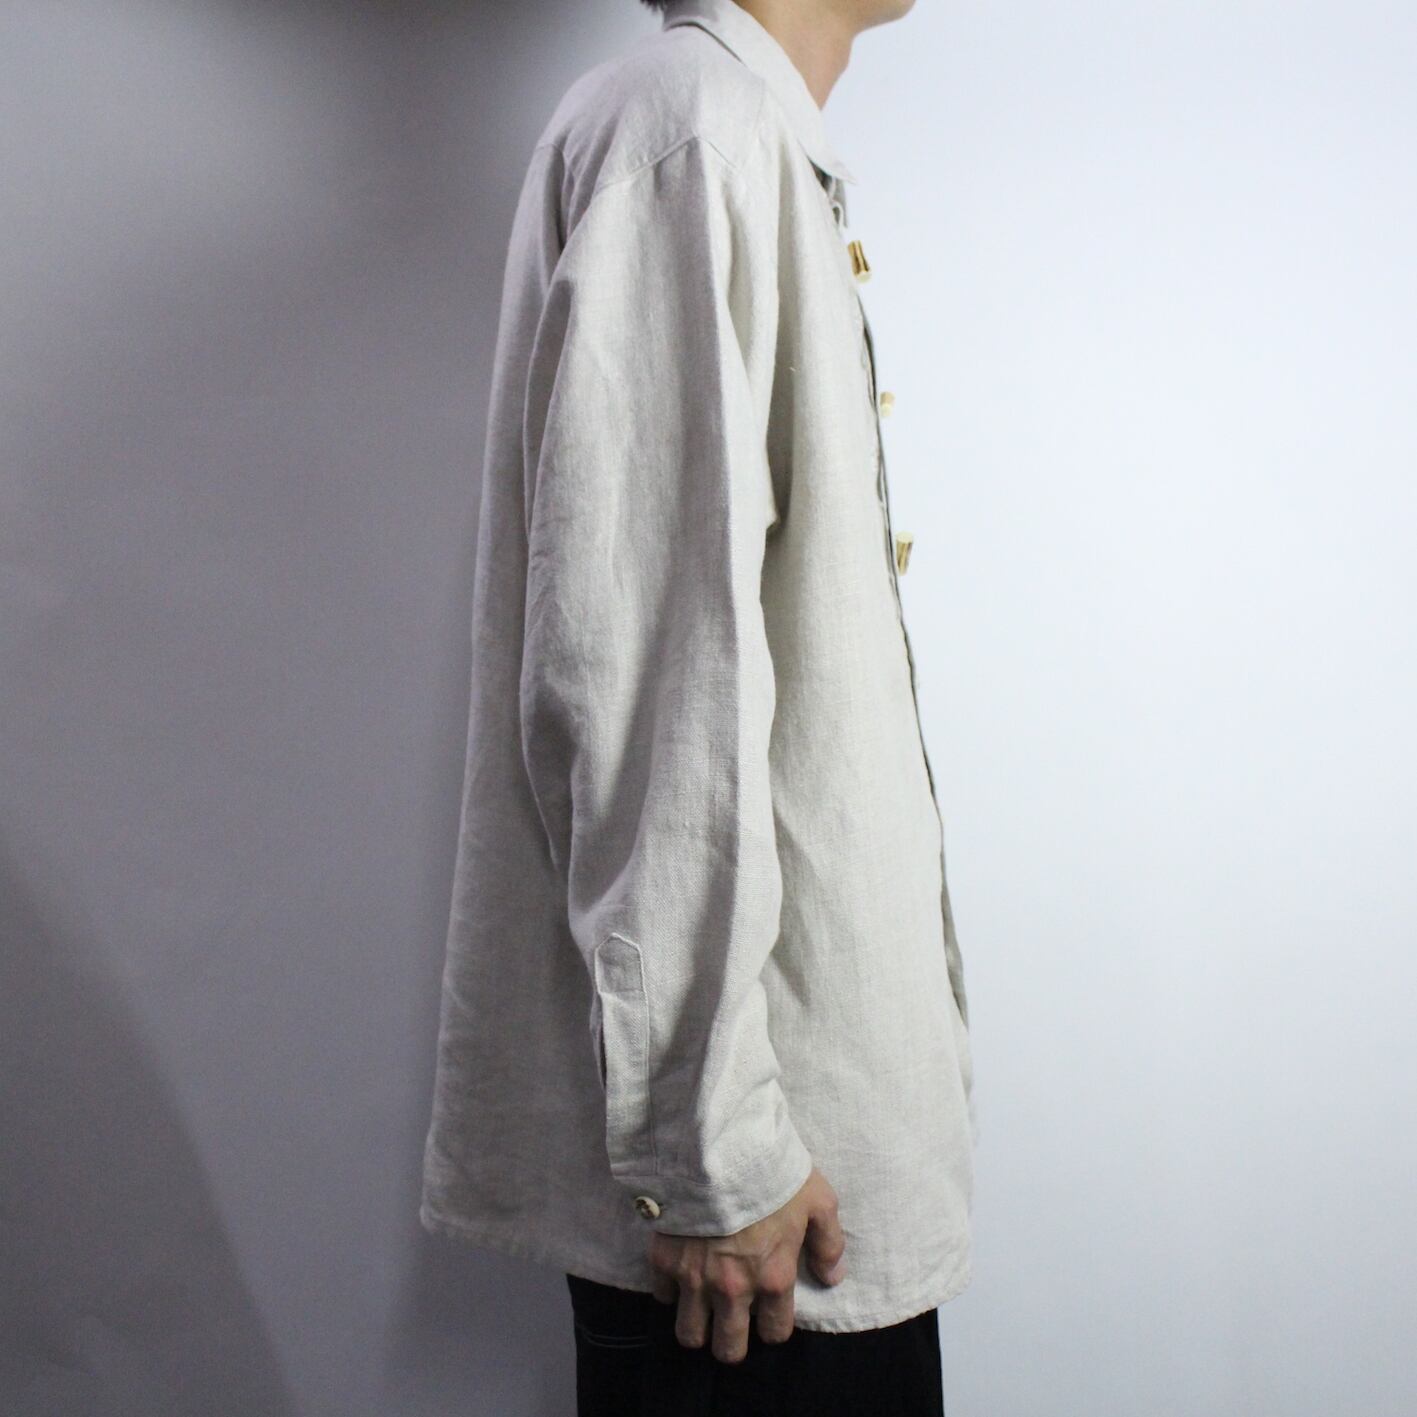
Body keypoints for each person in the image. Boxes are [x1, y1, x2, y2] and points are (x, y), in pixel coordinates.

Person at [419, 0, 978, 1410]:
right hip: (760, 1219)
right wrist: (714, 1152)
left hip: (791, 1176)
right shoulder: (690, 130)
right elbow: (641, 675)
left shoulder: (729, 134)